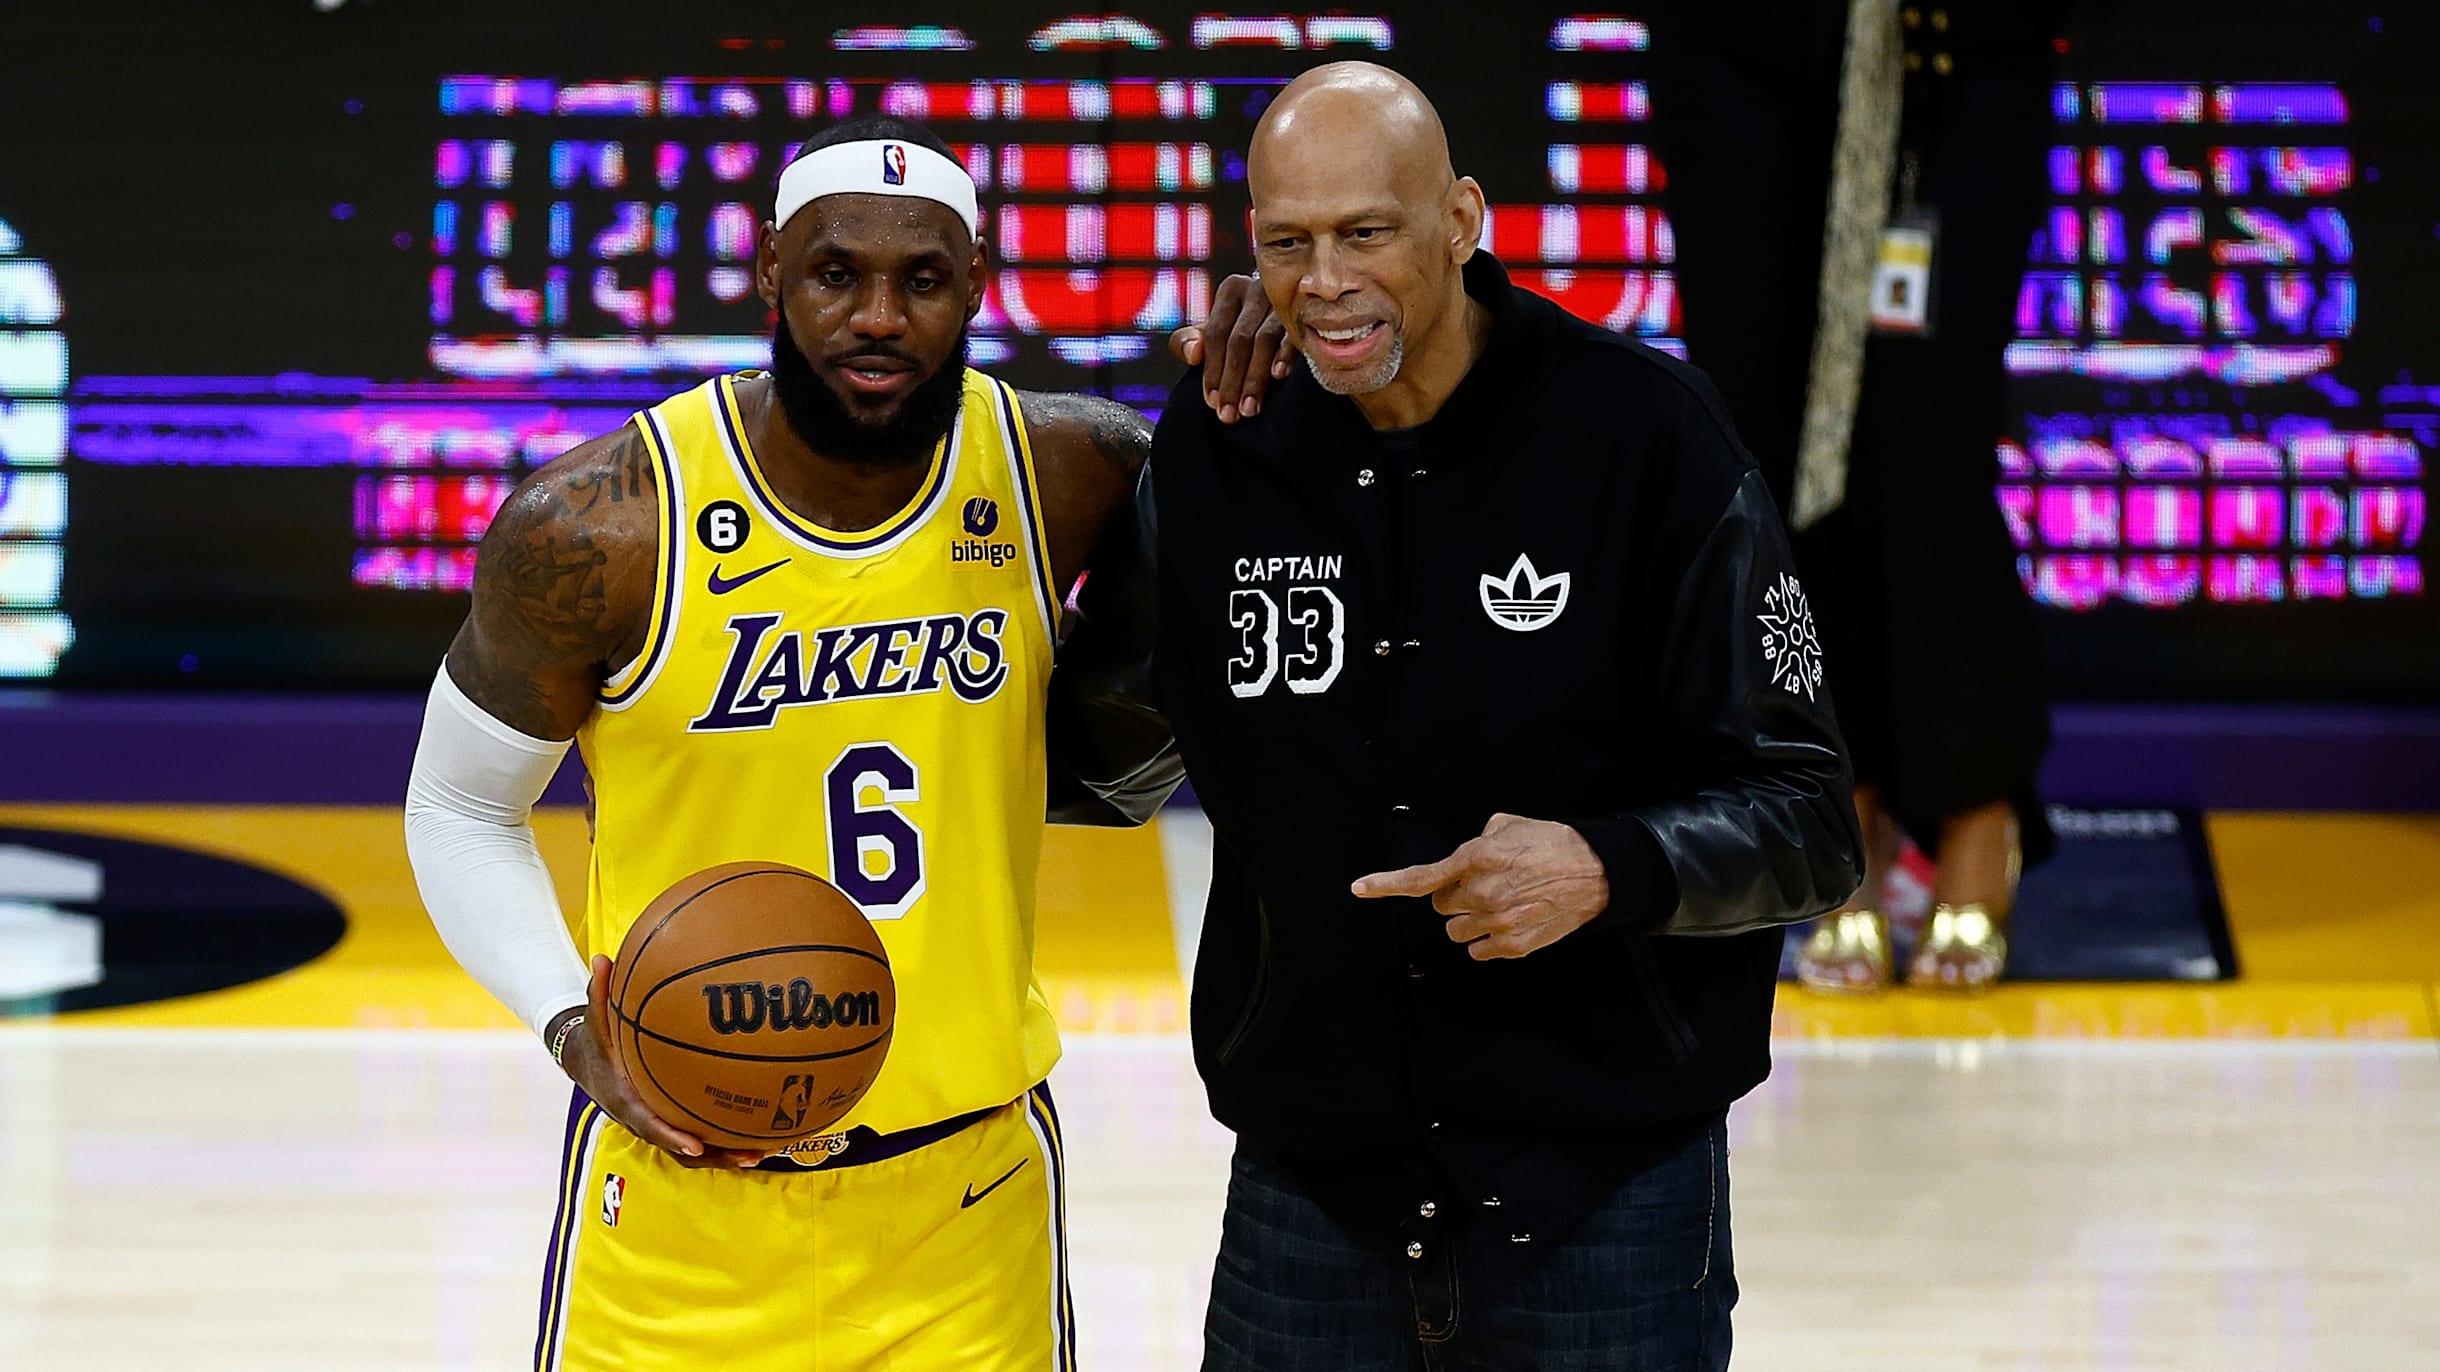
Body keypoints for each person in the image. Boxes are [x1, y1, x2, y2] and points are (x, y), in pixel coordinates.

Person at [1058, 62, 1863, 1370]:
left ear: (1462, 219)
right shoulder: (1224, 447)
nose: (1324, 282)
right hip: (1311, 1199)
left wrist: (1609, 866)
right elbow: (1101, 753)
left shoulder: (1646, 438)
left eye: (1365, 232)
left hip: (1606, 1201)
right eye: (1287, 243)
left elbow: (1809, 817)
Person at [403, 114, 1171, 1371]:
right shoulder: (600, 524)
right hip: (676, 1198)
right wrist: (567, 1023)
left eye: (921, 280)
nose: (878, 314)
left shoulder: (1069, 471)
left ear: (975, 286)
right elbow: (456, 808)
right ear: (769, 271)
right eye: (835, 273)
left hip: (962, 1200)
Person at [1646, 1, 2066, 991]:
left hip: (1947, 56)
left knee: (1925, 441)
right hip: (1743, 58)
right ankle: (1841, 806)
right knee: (1770, 446)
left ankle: (1975, 805)